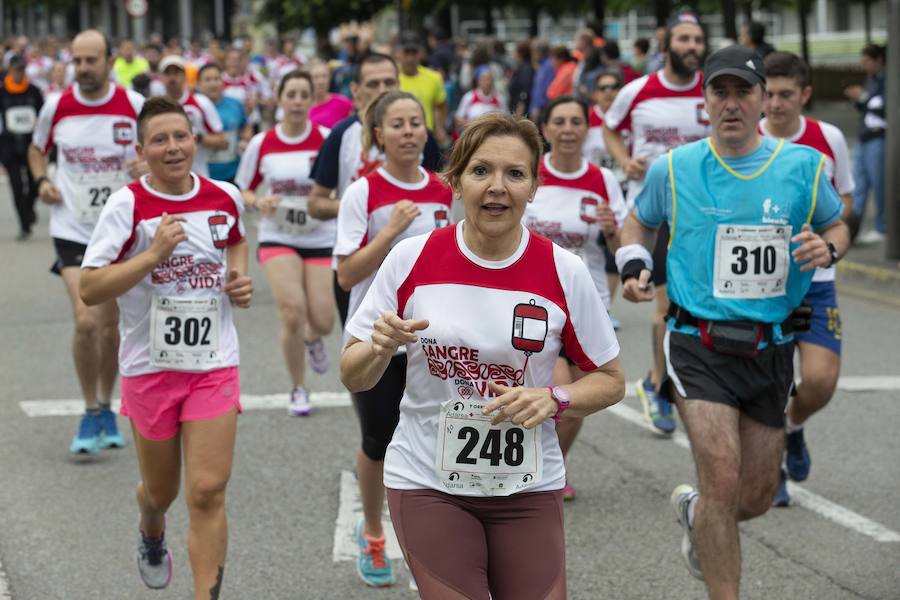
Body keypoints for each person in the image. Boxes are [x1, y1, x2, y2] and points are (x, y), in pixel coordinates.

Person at [340, 112, 625, 598]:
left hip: (527, 485)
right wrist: (379, 348)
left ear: (533, 187)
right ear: (455, 182)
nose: (497, 187)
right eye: (480, 171)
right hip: (427, 479)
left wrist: (554, 398)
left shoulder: (564, 271)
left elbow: (611, 379)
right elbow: (353, 373)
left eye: (515, 174)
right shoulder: (412, 257)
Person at [617, 45, 848, 599]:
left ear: (762, 98)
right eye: (719, 92)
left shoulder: (803, 166)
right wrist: (633, 263)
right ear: (705, 100)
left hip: (772, 346)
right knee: (722, 476)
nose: (731, 103)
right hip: (697, 342)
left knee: (755, 497)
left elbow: (837, 223)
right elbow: (636, 224)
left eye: (742, 91)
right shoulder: (674, 168)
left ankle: (698, 514)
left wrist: (829, 247)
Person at [79, 96, 251, 599]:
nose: (172, 147)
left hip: (213, 362)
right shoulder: (127, 205)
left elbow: (237, 239)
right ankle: (151, 525)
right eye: (159, 140)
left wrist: (238, 278)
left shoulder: (224, 196)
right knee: (162, 491)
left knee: (207, 490)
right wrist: (153, 253)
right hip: (149, 367)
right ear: (141, 150)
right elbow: (90, 287)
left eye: (180, 137)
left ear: (195, 141)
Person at [333, 90, 452, 588]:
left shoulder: (446, 189)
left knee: (440, 440)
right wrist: (391, 232)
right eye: (398, 124)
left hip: (434, 338)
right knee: (378, 441)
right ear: (379, 135)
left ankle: (435, 546)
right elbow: (346, 274)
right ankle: (374, 532)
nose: (408, 132)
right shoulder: (363, 191)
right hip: (378, 338)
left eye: (415, 122)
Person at [28, 29, 146, 455]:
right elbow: (36, 150)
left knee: (111, 327)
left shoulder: (134, 105)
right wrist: (42, 181)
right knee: (85, 320)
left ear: (110, 62)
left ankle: (106, 404)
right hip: (72, 228)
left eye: (91, 60)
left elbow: (158, 147)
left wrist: (145, 166)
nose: (83, 68)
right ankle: (88, 407)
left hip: (118, 232)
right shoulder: (56, 105)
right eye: (77, 61)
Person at [603, 12, 708, 436]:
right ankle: (658, 385)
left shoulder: (713, 90)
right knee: (666, 307)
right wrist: (624, 160)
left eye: (698, 39)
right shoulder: (637, 91)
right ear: (666, 46)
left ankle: (671, 379)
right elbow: (610, 128)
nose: (692, 47)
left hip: (704, 213)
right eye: (684, 39)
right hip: (655, 212)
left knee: (699, 306)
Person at [760, 51, 855, 506]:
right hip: (764, 285)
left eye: (786, 95)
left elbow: (845, 199)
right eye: (769, 94)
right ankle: (772, 464)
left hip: (815, 281)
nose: (776, 104)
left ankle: (792, 426)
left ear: (805, 95)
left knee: (820, 379)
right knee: (769, 382)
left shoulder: (828, 137)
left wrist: (827, 237)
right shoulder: (748, 140)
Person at [526, 96, 627, 501]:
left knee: (575, 402)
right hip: (536, 301)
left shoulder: (602, 179)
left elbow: (621, 247)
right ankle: (533, 472)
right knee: (555, 390)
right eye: (560, 122)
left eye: (576, 122)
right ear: (546, 129)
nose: (568, 129)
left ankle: (553, 467)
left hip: (587, 302)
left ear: (587, 129)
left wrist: (612, 230)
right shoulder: (531, 173)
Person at [307, 52, 442, 326]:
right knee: (363, 343)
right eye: (373, 84)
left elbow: (437, 191)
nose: (382, 90)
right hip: (359, 260)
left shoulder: (419, 134)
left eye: (389, 82)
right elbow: (315, 204)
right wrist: (363, 207)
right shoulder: (342, 135)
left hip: (416, 274)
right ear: (356, 90)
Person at [235, 70, 335, 417]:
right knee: (292, 311)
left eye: (303, 95)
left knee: (323, 320)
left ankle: (312, 338)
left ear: (311, 99)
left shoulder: (325, 139)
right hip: (277, 234)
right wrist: (258, 201)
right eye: (290, 94)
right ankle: (298, 388)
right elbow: (243, 189)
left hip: (320, 234)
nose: (297, 101)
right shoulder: (263, 142)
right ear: (279, 99)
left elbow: (343, 184)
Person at [159, 54, 227, 178]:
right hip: (165, 179)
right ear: (161, 77)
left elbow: (222, 142)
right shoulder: (155, 107)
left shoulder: (201, 102)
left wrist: (197, 137)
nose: (172, 77)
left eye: (177, 73)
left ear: (185, 76)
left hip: (198, 176)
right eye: (168, 73)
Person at [846, 43, 887, 244]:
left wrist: (863, 98)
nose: (865, 66)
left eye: (867, 62)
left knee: (880, 184)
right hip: (864, 137)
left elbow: (883, 107)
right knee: (858, 186)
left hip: (878, 137)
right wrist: (861, 99)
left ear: (878, 60)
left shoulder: (888, 79)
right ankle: (851, 229)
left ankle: (883, 227)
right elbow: (868, 105)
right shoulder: (870, 78)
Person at [0, 54, 43, 240]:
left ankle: (29, 206)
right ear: (10, 70)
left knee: (34, 184)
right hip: (9, 146)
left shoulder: (34, 91)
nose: (20, 73)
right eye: (17, 69)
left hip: (30, 145)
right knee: (17, 187)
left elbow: (42, 117)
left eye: (22, 69)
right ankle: (24, 226)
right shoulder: (2, 92)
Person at [196, 63, 252, 183]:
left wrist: (245, 139)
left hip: (232, 172)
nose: (213, 84)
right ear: (199, 84)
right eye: (208, 79)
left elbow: (246, 125)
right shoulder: (193, 108)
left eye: (217, 79)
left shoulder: (235, 104)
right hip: (202, 174)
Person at [396, 32, 449, 148]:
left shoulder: (434, 77)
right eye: (406, 52)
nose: (410, 58)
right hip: (399, 137)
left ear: (421, 53)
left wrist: (439, 127)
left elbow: (441, 105)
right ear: (398, 53)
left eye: (414, 53)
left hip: (427, 136)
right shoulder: (391, 78)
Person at [454, 65, 507, 133]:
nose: (488, 83)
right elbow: (458, 119)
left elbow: (506, 119)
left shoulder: (499, 98)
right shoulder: (469, 96)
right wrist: (475, 126)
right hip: (473, 134)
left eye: (490, 79)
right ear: (478, 81)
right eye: (484, 79)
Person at [308, 60, 353, 128]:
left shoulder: (344, 103)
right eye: (316, 77)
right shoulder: (303, 106)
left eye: (324, 76)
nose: (321, 81)